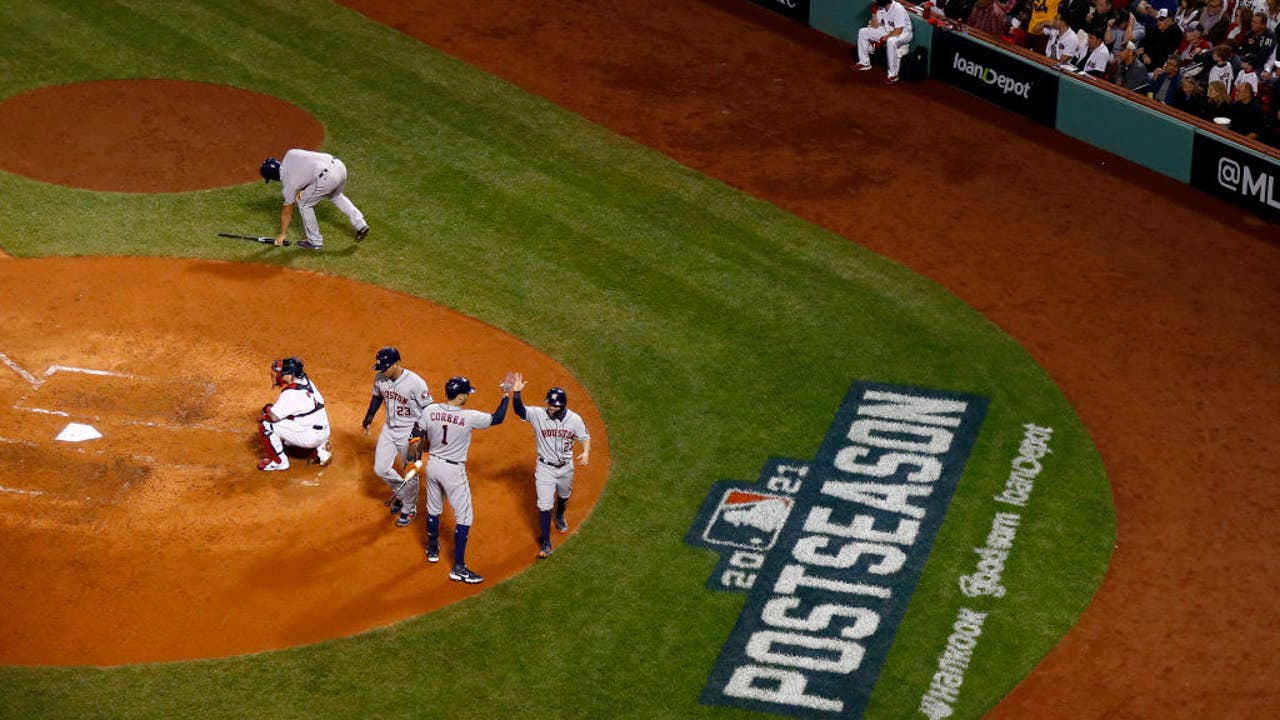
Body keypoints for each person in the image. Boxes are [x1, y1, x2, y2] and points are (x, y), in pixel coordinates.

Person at [416, 375, 512, 584]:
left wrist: (414, 460)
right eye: (467, 393)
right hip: (453, 471)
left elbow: (417, 433)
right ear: (459, 397)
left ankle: (433, 549)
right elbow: (498, 418)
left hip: (432, 465)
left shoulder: (430, 410)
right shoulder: (470, 416)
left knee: (433, 508)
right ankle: (458, 568)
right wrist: (506, 394)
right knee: (465, 517)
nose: (468, 396)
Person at [510, 374, 592, 560]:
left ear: (563, 405)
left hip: (565, 467)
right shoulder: (539, 414)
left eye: (554, 405)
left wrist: (585, 452)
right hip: (544, 468)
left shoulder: (574, 419)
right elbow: (520, 411)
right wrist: (517, 394)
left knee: (564, 495)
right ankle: (546, 542)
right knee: (544, 505)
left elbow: (585, 436)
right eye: (549, 404)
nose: (550, 407)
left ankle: (560, 515)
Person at [362, 346, 434, 527]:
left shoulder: (415, 383)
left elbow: (429, 410)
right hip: (389, 429)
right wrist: (368, 418)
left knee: (410, 473)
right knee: (380, 468)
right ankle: (403, 495)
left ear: (396, 363)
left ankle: (409, 509)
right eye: (380, 367)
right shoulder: (380, 377)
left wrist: (426, 437)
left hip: (412, 432)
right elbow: (377, 397)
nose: (382, 371)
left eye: (386, 367)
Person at [259, 148, 370, 251]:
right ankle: (361, 224)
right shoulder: (290, 153)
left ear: (273, 177)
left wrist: (282, 234)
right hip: (339, 166)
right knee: (336, 196)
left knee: (303, 204)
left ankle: (314, 241)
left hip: (327, 178)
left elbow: (287, 211)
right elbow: (307, 169)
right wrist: (304, 191)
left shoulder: (288, 184)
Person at [256, 357, 331, 471]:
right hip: (324, 432)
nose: (278, 374)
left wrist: (267, 409)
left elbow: (273, 417)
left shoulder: (291, 393)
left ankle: (279, 462)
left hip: (311, 437)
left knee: (265, 423)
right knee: (295, 415)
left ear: (290, 375)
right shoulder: (306, 381)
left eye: (281, 372)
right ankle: (321, 452)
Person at [852, 0, 915, 84]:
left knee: (891, 41)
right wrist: (874, 12)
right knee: (863, 32)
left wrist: (883, 39)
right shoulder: (881, 7)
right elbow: (875, 25)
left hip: (904, 34)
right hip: (888, 30)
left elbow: (898, 30)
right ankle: (864, 63)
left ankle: (893, 75)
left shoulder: (897, 8)